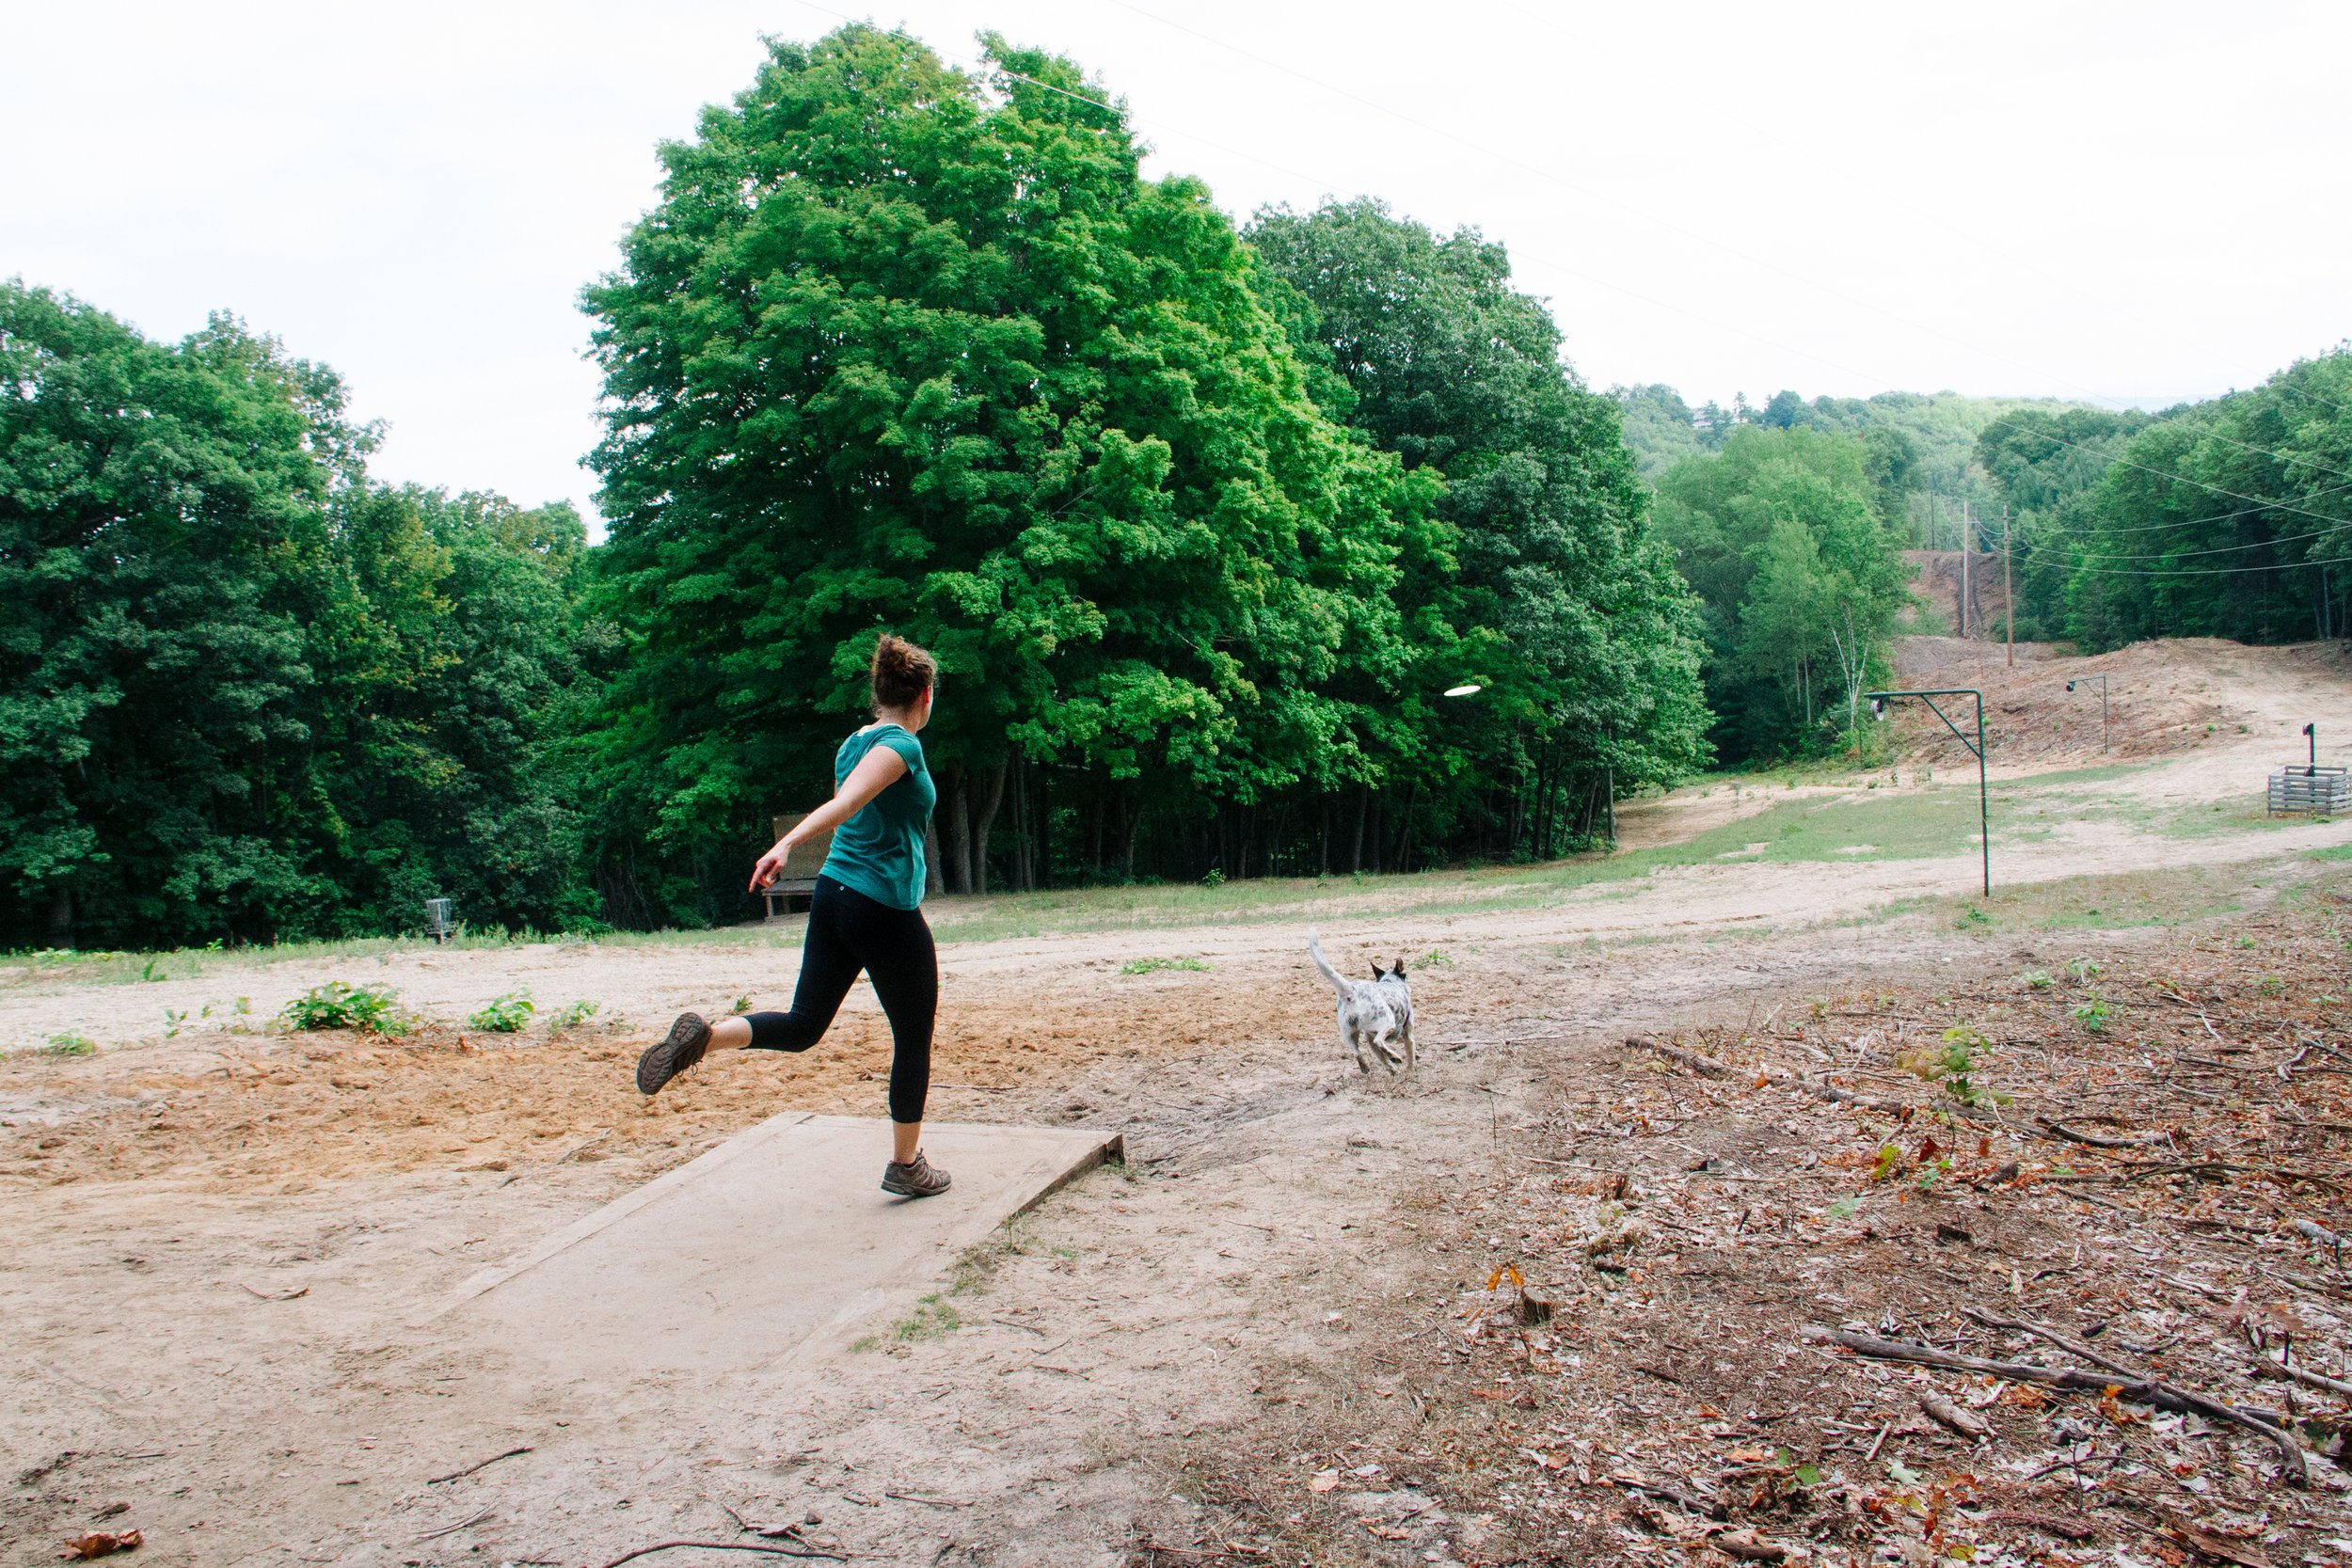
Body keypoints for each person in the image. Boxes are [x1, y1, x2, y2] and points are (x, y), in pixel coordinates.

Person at [633, 634, 950, 1198]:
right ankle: (906, 1165)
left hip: (834, 897)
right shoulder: (902, 746)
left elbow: (851, 809)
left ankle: (705, 1038)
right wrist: (786, 846)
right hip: (882, 908)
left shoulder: (852, 744)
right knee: (913, 1038)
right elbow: (848, 805)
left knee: (805, 1025)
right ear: (924, 694)